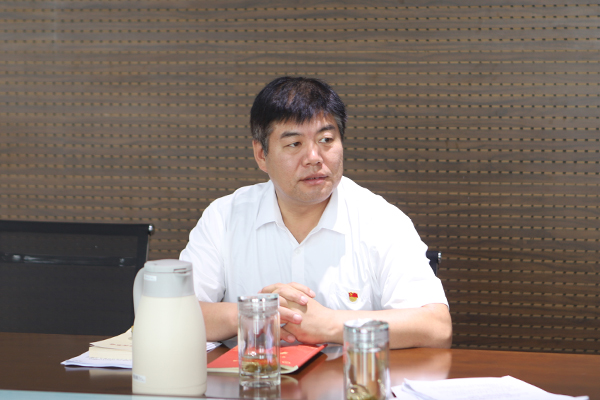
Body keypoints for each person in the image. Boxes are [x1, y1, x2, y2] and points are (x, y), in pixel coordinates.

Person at [180, 76, 452, 349]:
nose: (314, 157)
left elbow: (436, 327)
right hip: (254, 374)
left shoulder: (381, 220)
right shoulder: (224, 218)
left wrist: (330, 325)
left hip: (347, 375)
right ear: (261, 154)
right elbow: (174, 315)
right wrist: (257, 313)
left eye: (326, 139)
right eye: (294, 144)